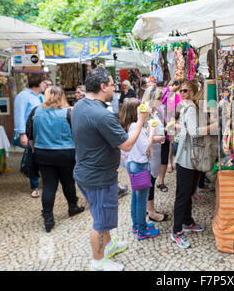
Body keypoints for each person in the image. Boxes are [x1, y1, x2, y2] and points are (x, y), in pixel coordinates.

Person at [71, 67, 150, 271]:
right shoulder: (101, 114)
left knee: (101, 216)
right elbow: (126, 145)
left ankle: (110, 245)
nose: (116, 87)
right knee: (100, 222)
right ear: (102, 86)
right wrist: (141, 121)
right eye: (112, 84)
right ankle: (98, 262)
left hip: (85, 172)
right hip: (99, 177)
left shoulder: (79, 105)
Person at [26, 86, 85, 232]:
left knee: (49, 185)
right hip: (66, 153)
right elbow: (77, 134)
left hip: (43, 153)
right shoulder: (68, 113)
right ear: (62, 96)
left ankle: (48, 217)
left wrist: (34, 148)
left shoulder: (35, 111)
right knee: (68, 181)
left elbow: (30, 133)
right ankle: (73, 207)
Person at [171, 80, 218, 249]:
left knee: (188, 192)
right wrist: (213, 126)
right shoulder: (190, 107)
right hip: (186, 158)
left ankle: (187, 222)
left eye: (184, 91)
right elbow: (194, 132)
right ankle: (176, 231)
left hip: (188, 156)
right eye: (181, 91)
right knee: (183, 195)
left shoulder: (190, 107)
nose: (182, 94)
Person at [119, 98, 160, 240]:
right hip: (140, 165)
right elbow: (145, 148)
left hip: (132, 164)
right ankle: (142, 230)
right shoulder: (136, 126)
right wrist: (151, 132)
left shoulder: (130, 126)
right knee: (141, 200)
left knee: (135, 197)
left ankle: (137, 224)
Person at [13, 73, 48, 198]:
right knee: (32, 159)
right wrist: (22, 134)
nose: (46, 85)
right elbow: (19, 115)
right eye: (44, 82)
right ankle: (34, 186)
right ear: (38, 82)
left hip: (42, 133)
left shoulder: (42, 97)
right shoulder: (23, 96)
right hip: (30, 133)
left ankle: (46, 181)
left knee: (43, 157)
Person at [141, 86, 169, 222]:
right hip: (149, 153)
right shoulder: (144, 113)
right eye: (158, 99)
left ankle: (149, 208)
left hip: (156, 151)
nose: (160, 101)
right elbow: (144, 137)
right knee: (149, 182)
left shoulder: (156, 112)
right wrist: (158, 138)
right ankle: (151, 211)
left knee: (151, 181)